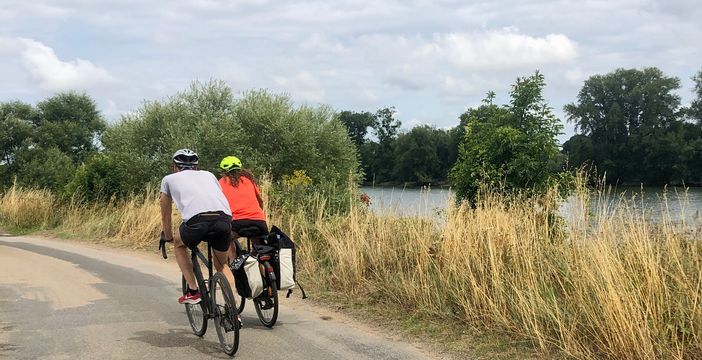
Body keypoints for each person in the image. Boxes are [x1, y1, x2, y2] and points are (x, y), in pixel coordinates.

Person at [160, 149, 239, 305]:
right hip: (223, 220)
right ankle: (234, 308)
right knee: (222, 265)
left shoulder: (168, 179)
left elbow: (165, 214)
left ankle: (193, 291)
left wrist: (168, 236)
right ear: (196, 166)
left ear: (175, 166)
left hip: (197, 222)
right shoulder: (209, 175)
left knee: (179, 244)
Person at [218, 156, 268, 261]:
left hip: (237, 222)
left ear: (224, 171)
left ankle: (233, 264)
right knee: (260, 253)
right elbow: (260, 201)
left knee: (226, 238)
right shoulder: (249, 181)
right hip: (259, 221)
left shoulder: (221, 183)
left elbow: (219, 205)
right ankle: (264, 270)